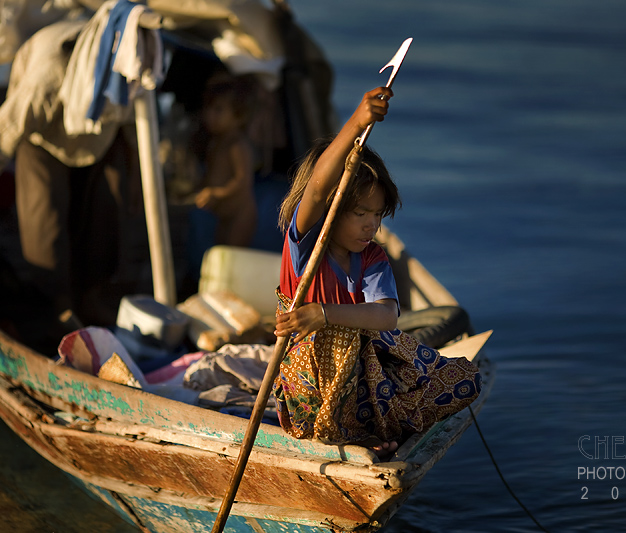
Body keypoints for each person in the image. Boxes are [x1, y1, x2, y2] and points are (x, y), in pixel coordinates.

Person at [272, 87, 482, 457]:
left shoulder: (372, 258)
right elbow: (318, 190)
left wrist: (324, 314)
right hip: (311, 389)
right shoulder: (305, 250)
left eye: (377, 215)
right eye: (359, 214)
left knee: (463, 380)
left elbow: (385, 315)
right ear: (334, 211)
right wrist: (357, 121)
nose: (371, 226)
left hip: (361, 382)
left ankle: (368, 429)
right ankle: (354, 432)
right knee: (334, 367)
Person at [0, 16, 143, 330]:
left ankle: (93, 298)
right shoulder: (43, 85)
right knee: (45, 220)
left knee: (105, 212)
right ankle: (61, 308)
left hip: (104, 142)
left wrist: (134, 175)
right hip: (42, 141)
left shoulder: (132, 64)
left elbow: (137, 123)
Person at [193, 76, 258, 247]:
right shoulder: (216, 143)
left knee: (230, 257)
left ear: (239, 116)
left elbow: (242, 181)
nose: (210, 115)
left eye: (218, 110)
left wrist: (216, 193)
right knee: (219, 253)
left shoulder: (237, 145)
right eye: (208, 109)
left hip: (240, 214)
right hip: (223, 214)